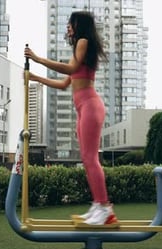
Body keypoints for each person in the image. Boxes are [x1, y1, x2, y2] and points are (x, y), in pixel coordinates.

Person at [24, 11, 117, 225]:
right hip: (83, 108)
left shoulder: (83, 42)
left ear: (79, 25)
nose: (67, 27)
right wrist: (35, 77)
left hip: (91, 106)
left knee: (90, 158)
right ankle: (98, 205)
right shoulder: (79, 48)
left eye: (70, 23)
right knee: (86, 158)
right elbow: (65, 83)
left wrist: (37, 59)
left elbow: (72, 69)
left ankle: (105, 208)